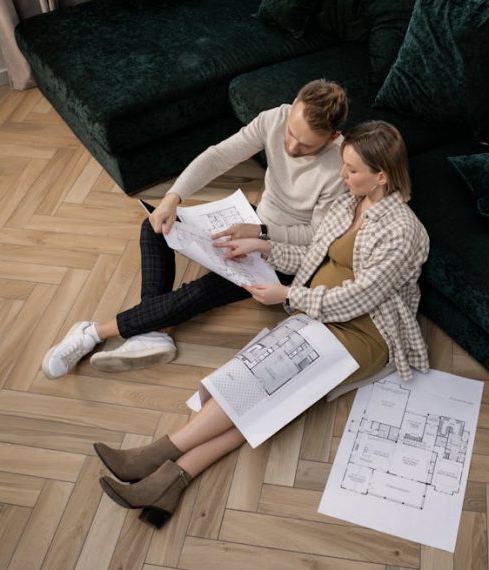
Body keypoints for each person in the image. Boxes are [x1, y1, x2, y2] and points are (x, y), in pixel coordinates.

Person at [93, 120, 431, 529]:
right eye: (343, 166)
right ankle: (168, 483)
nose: (342, 176)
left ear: (382, 176)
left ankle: (155, 454)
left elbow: (359, 297)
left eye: (352, 170)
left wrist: (287, 296)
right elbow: (314, 256)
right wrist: (263, 248)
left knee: (262, 381)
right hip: (317, 315)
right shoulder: (350, 201)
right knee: (257, 388)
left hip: (365, 334)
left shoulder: (403, 231)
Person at [41, 80, 350, 379]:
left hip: (285, 252)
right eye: (291, 133)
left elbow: (317, 237)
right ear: (293, 105)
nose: (292, 146)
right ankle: (153, 331)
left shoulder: (340, 167)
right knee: (156, 225)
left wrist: (261, 232)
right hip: (253, 222)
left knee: (203, 291)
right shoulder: (276, 117)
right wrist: (172, 198)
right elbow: (219, 156)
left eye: (306, 144)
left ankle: (91, 333)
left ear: (333, 136)